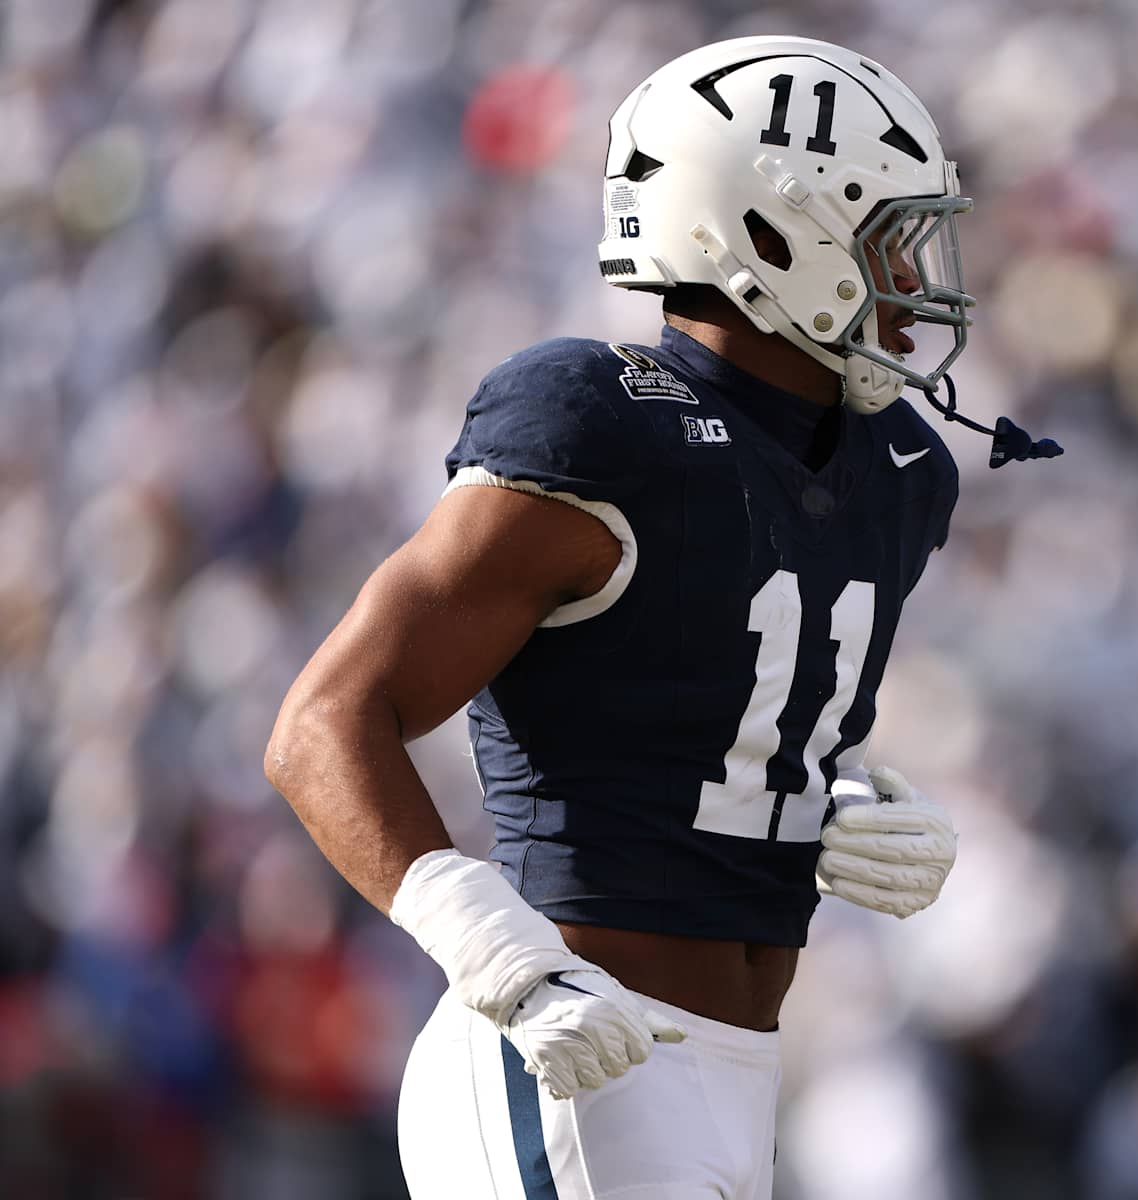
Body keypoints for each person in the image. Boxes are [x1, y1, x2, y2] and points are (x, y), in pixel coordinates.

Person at [264, 34, 1053, 1200]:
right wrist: (480, 939)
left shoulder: (898, 466)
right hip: (573, 1046)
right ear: (777, 237)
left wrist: (839, 795)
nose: (913, 280)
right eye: (888, 236)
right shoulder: (602, 424)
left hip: (742, 1070)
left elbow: (692, 703)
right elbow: (325, 721)